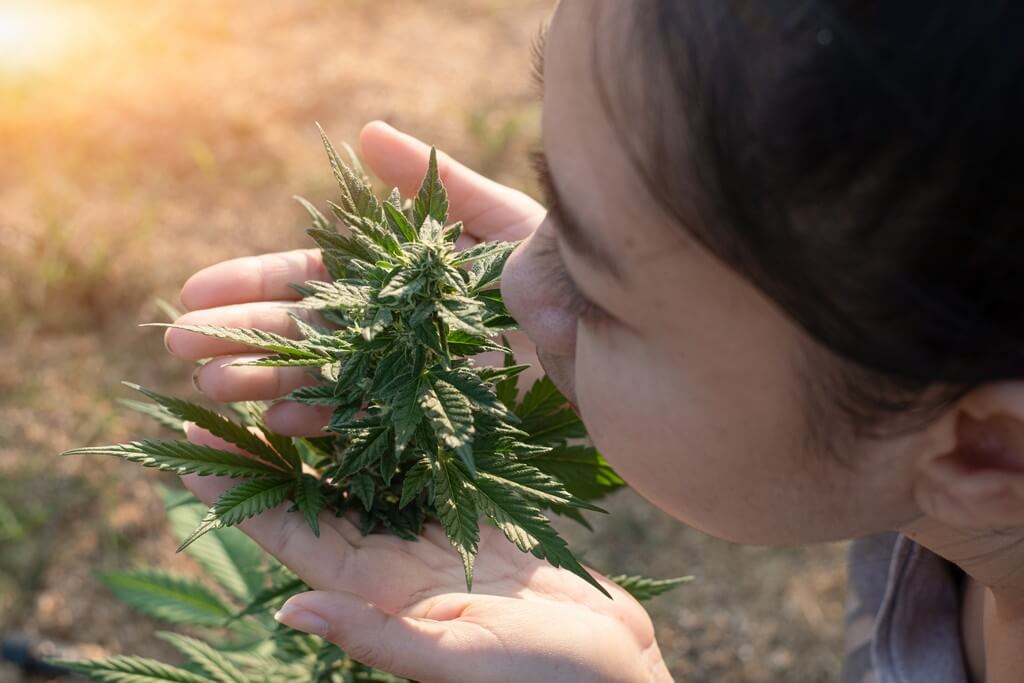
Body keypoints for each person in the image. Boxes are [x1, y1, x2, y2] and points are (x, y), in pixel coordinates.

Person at [162, 1, 1024, 681]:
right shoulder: (944, 449)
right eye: (554, 199)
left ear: (989, 450)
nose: (507, 284)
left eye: (591, 283)